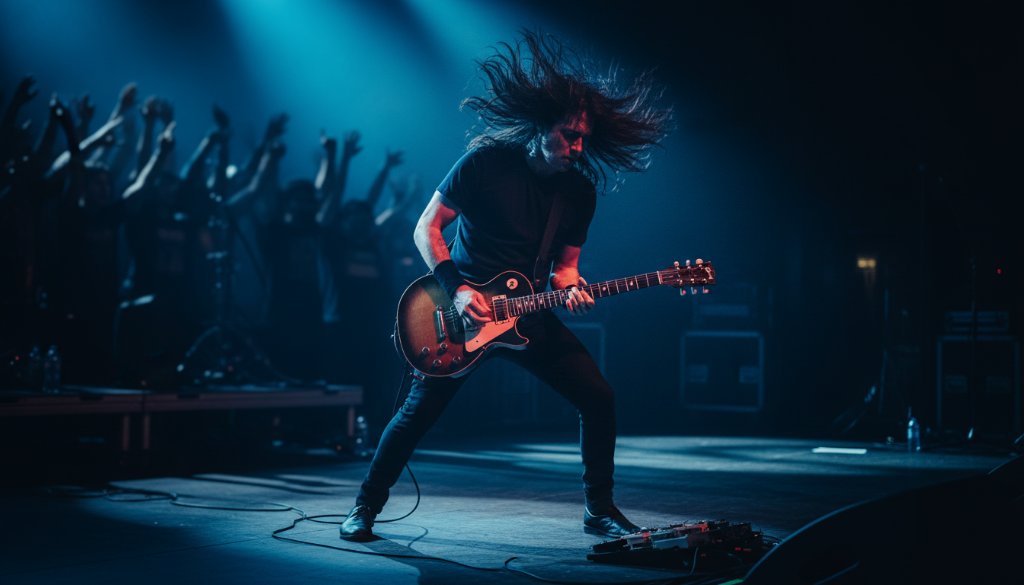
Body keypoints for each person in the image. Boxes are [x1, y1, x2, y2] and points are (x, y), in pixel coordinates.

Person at [339, 30, 671, 541]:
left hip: (527, 315)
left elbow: (565, 268)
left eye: (584, 139)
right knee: (414, 417)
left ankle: (598, 509)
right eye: (569, 135)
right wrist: (458, 289)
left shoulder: (578, 192)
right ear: (541, 127)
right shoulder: (487, 163)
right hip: (460, 312)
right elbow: (426, 228)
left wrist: (573, 287)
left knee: (598, 397)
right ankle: (365, 507)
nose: (578, 148)